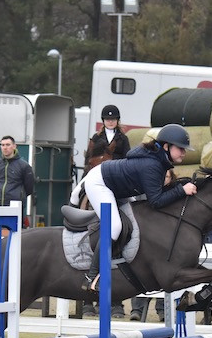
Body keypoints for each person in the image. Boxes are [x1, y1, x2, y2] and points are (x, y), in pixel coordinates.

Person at [69, 123, 197, 292]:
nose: (183, 152)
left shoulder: (158, 162)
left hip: (115, 186)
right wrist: (182, 190)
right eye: (180, 148)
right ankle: (91, 276)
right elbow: (156, 201)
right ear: (166, 146)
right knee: (114, 227)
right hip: (100, 184)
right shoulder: (152, 165)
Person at [82, 105, 131, 318]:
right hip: (96, 189)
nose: (110, 122)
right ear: (103, 120)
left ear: (117, 121)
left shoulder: (123, 139)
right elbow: (88, 164)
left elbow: (128, 162)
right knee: (89, 237)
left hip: (116, 187)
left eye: (113, 119)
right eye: (107, 119)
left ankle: (116, 302)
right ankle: (87, 299)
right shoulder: (95, 139)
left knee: (117, 235)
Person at [0, 135, 34, 216]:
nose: (5, 147)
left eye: (8, 145)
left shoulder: (24, 166)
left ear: (14, 146)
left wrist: (19, 196)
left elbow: (29, 188)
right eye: (3, 145)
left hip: (14, 206)